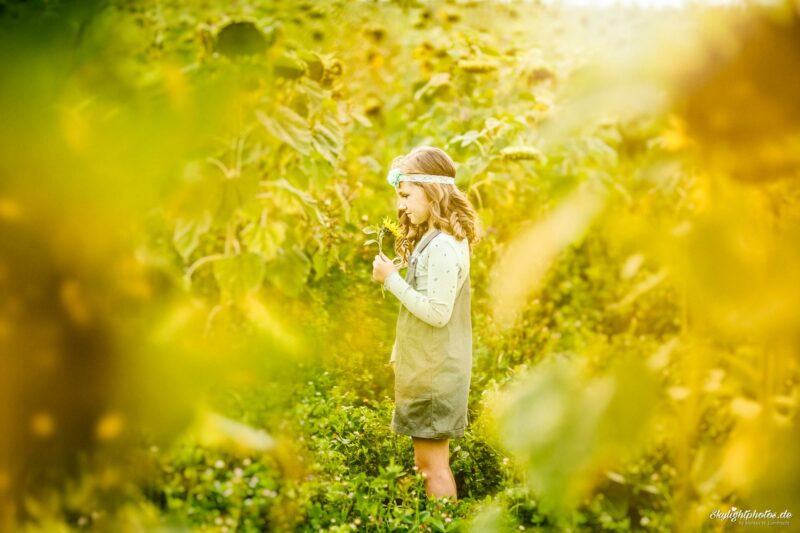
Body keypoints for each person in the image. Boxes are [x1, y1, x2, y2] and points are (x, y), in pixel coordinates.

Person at [371, 146, 482, 501]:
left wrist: (390, 279)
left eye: (405, 195)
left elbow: (437, 312)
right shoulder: (436, 239)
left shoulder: (443, 247)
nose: (400, 206)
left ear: (432, 192)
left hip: (435, 372)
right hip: (428, 366)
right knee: (428, 463)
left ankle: (442, 524)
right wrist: (399, 350)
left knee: (431, 467)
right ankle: (437, 523)